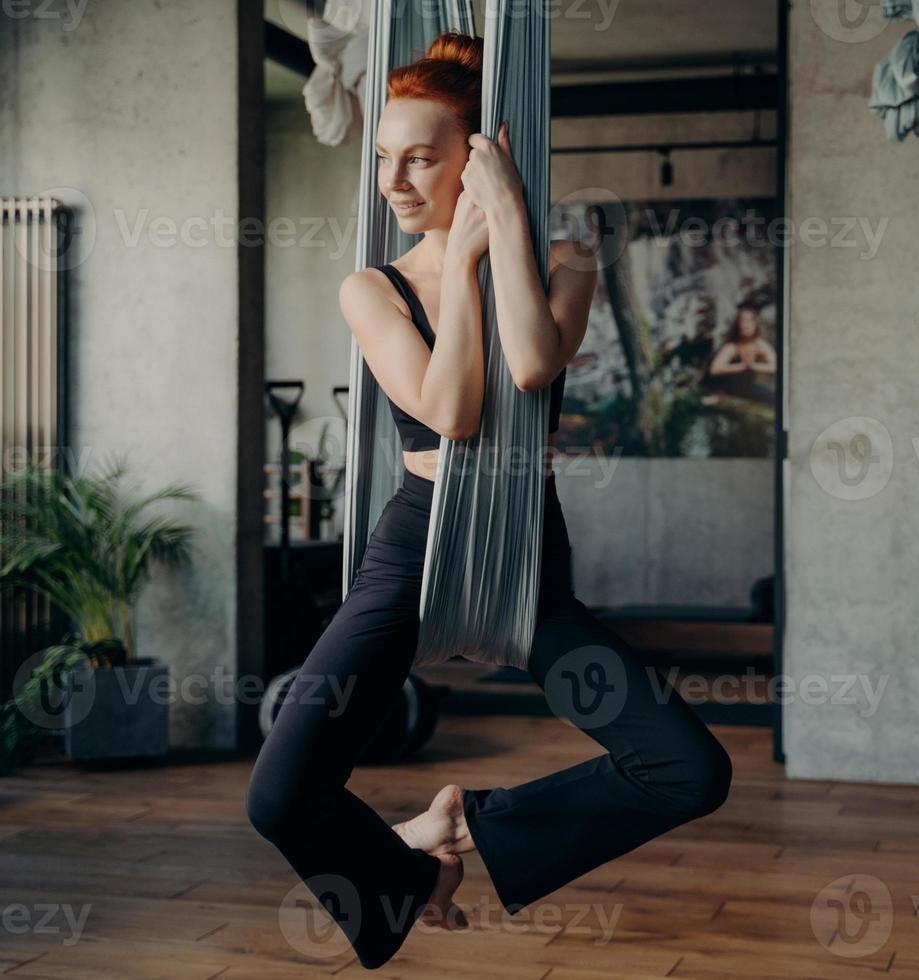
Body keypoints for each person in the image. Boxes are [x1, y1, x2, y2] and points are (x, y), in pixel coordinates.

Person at [244, 31, 732, 971]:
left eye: (422, 157)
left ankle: (473, 827)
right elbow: (450, 412)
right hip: (411, 547)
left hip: (522, 554)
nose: (394, 181)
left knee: (690, 770)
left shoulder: (569, 262)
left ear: (479, 155)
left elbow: (535, 361)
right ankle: (411, 877)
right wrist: (457, 266)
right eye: (384, 159)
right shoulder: (370, 287)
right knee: (279, 796)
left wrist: (503, 223)